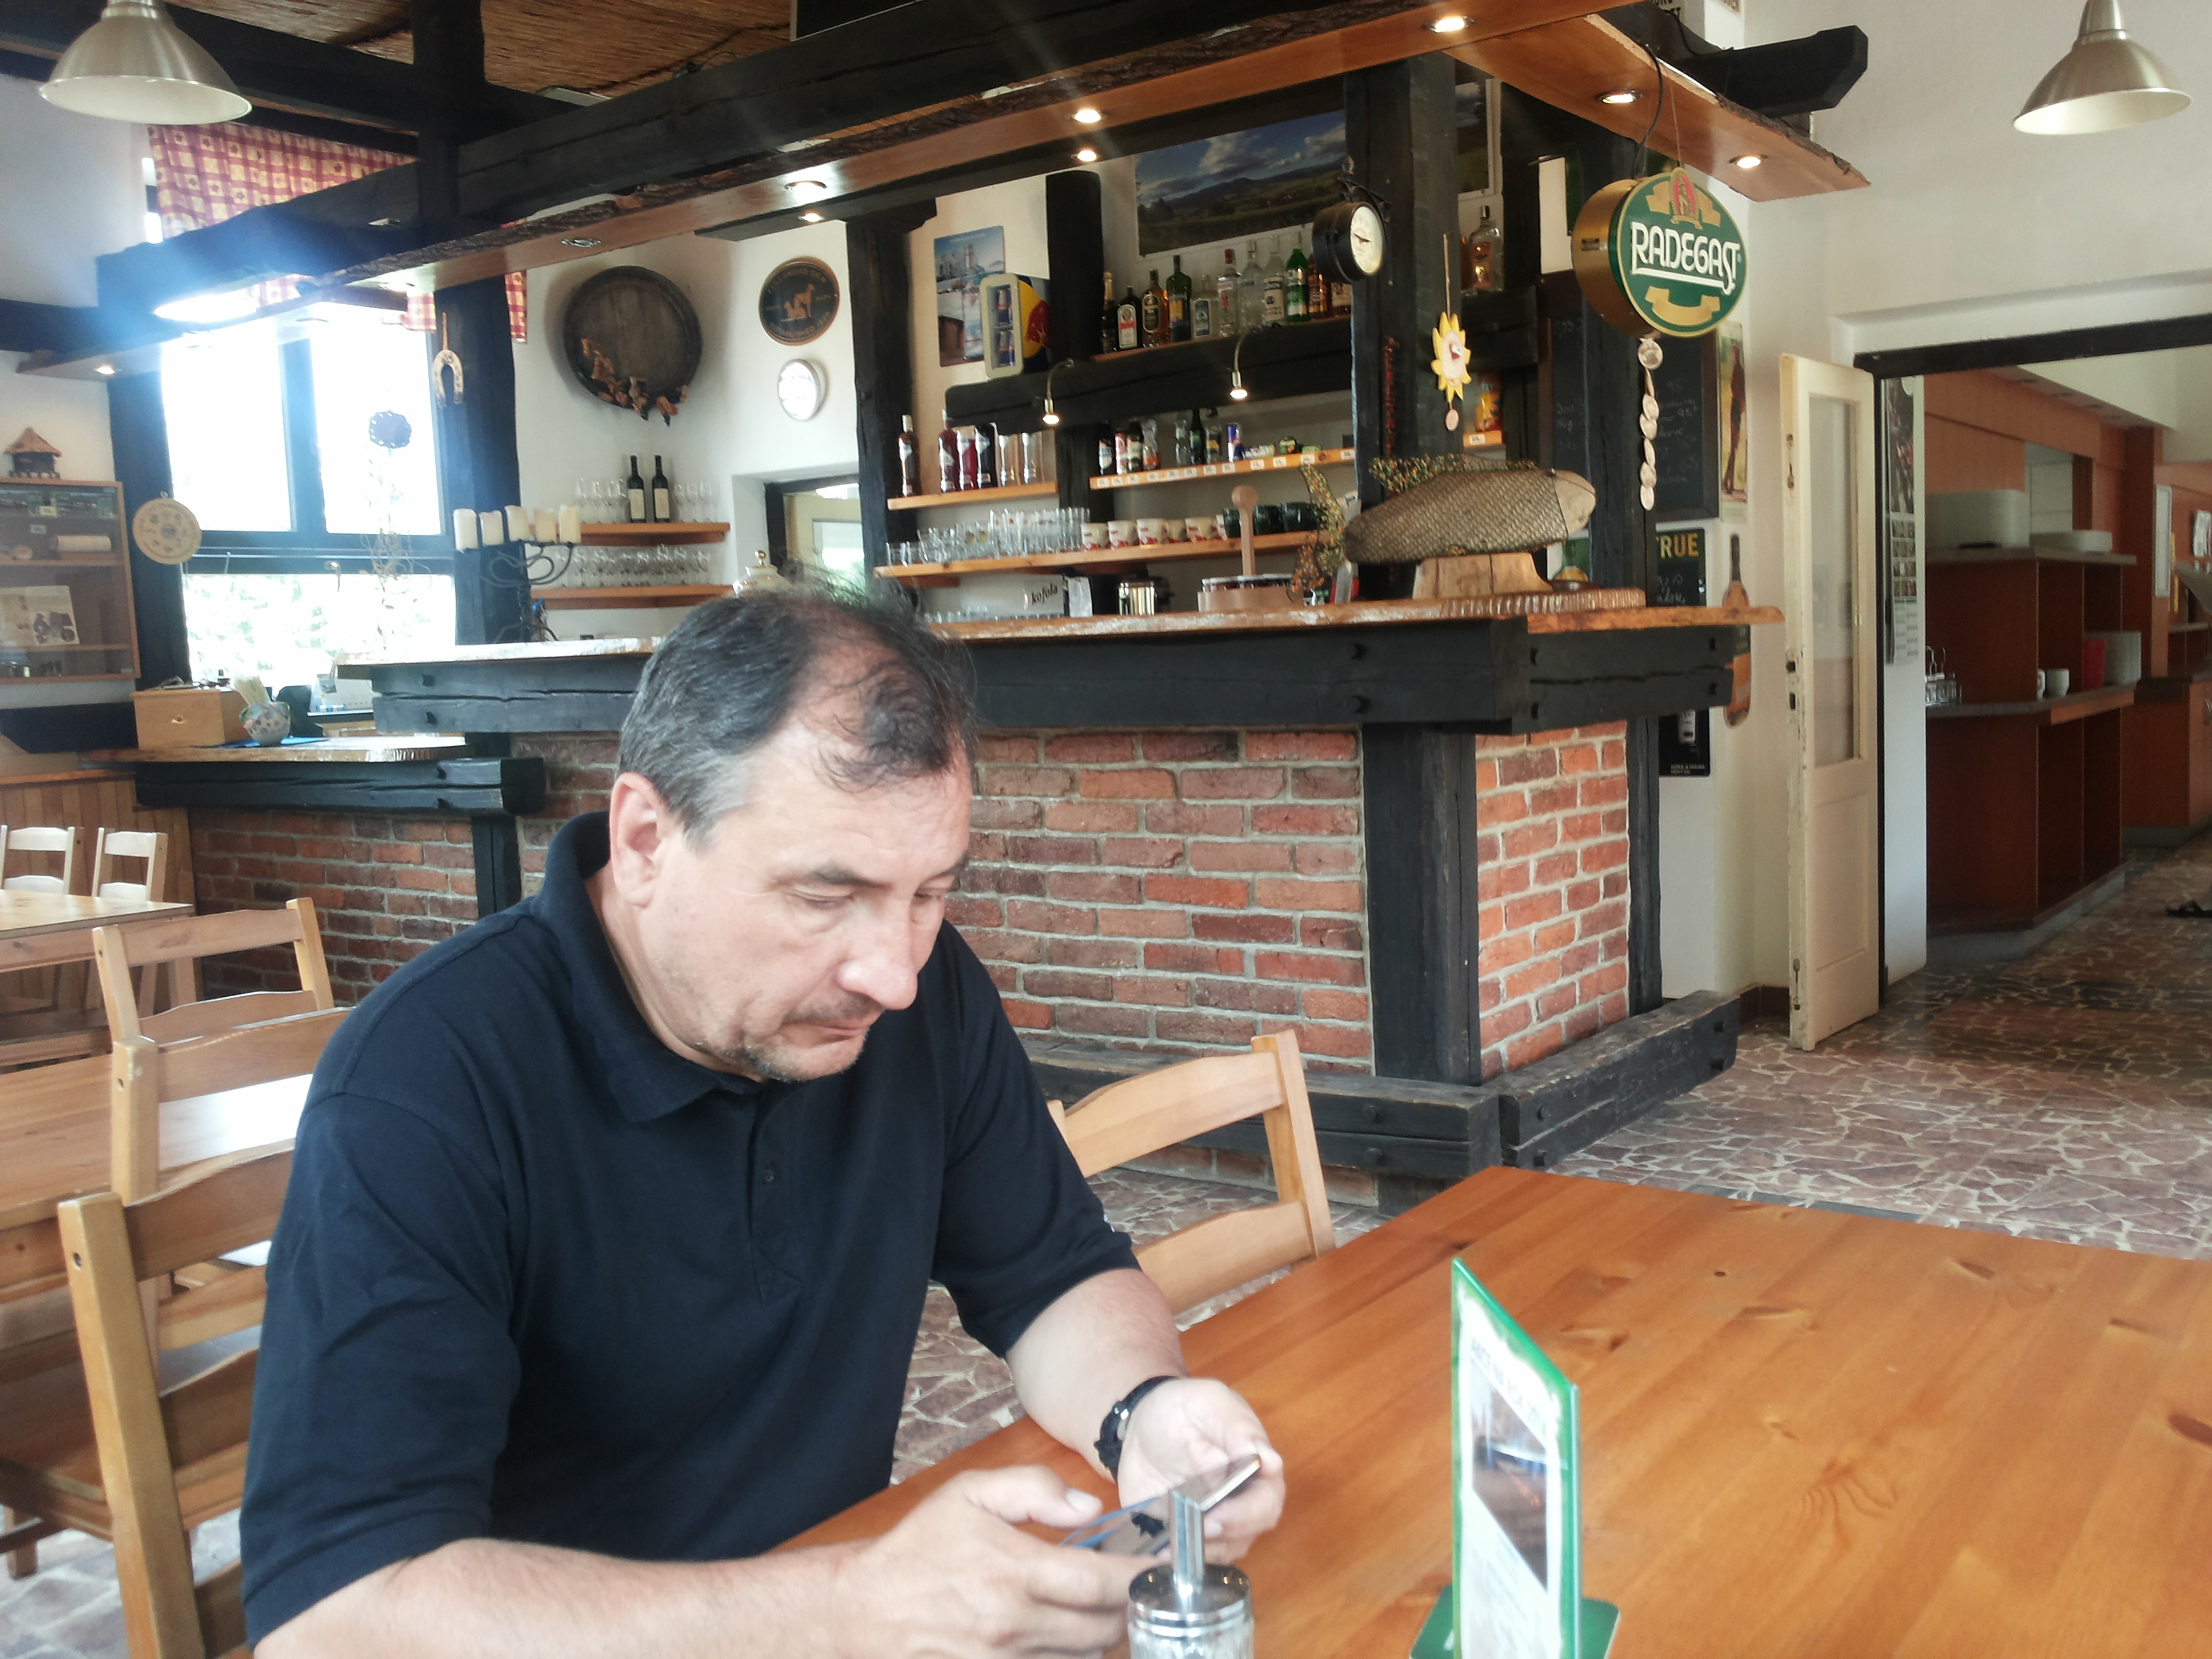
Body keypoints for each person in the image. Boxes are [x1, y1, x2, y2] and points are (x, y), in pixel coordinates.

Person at [243, 588, 1285, 1657]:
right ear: (644, 839)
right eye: (825, 897)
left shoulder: (917, 998)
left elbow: (1050, 1276)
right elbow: (333, 1617)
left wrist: (1142, 1410)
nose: (894, 975)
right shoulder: (426, 1082)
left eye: (929, 894)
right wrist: (843, 1608)